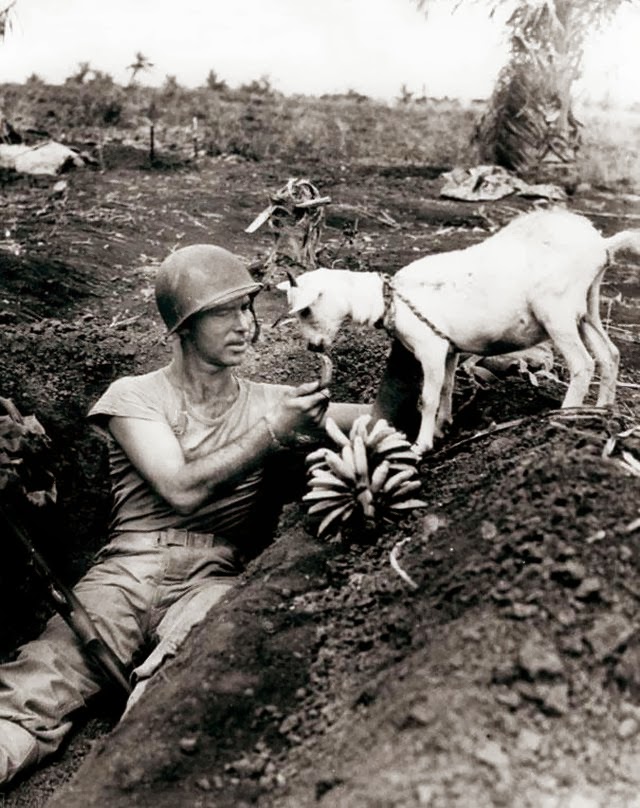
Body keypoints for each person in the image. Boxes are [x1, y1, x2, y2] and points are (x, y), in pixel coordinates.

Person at [0, 244, 369, 786]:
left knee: (187, 690)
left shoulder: (275, 401)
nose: (245, 324)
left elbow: (386, 422)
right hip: (126, 573)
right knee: (34, 689)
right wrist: (273, 432)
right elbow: (181, 488)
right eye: (225, 312)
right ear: (184, 327)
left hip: (215, 578)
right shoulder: (135, 396)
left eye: (248, 309)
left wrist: (416, 345)